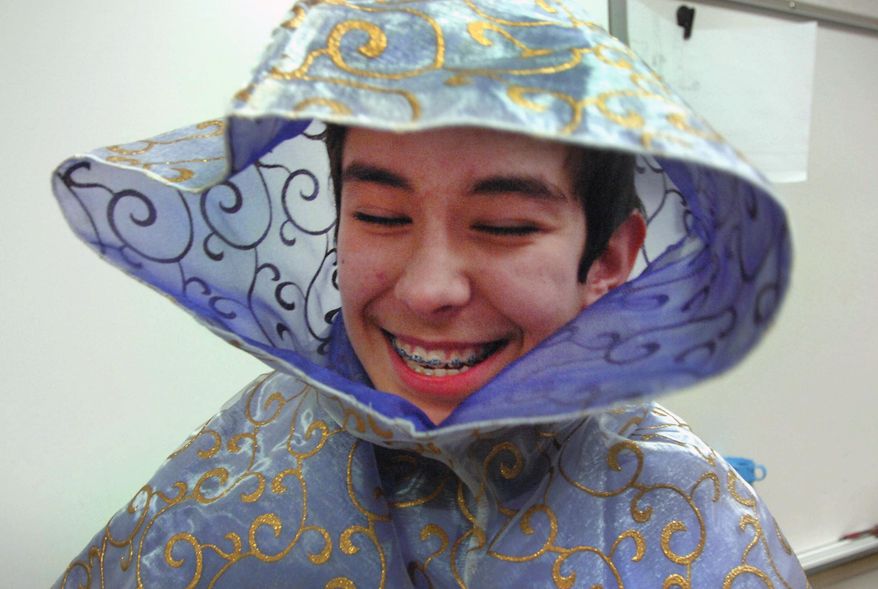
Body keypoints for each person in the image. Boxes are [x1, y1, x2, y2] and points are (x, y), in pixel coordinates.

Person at [51, 1, 807, 587]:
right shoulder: (247, 452)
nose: (430, 288)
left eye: (504, 225)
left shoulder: (695, 526)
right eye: (380, 217)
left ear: (608, 257)